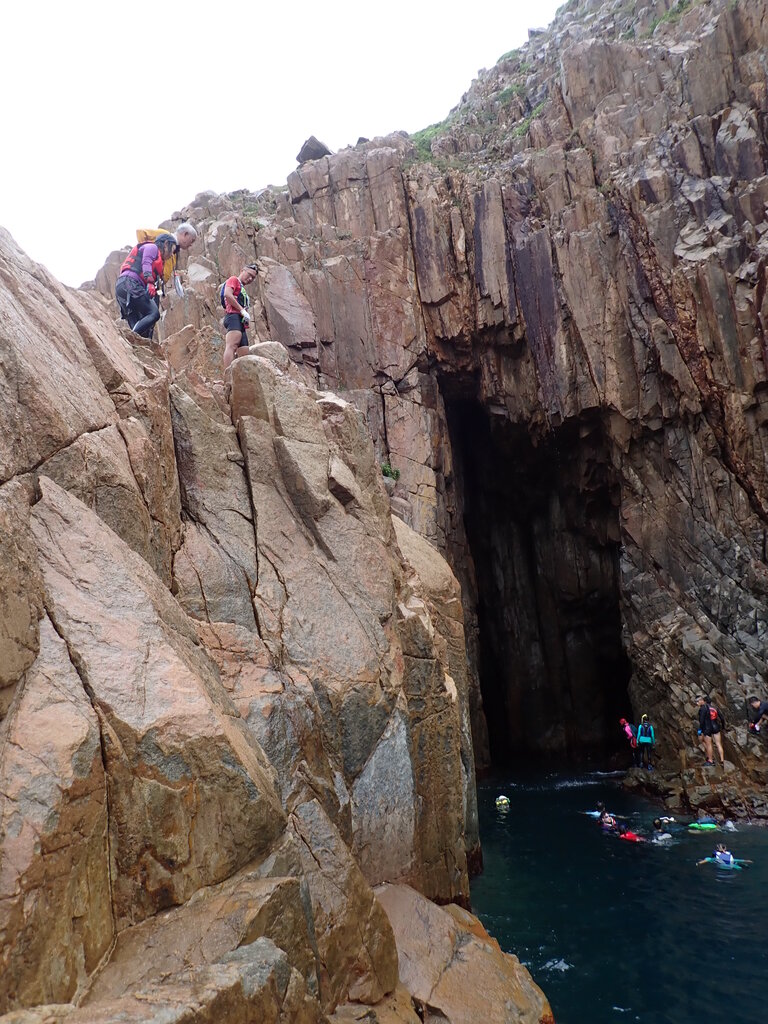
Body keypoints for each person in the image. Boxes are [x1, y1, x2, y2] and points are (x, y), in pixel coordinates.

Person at [115, 233, 178, 339]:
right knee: (154, 313)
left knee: (141, 332)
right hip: (130, 283)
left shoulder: (156, 256)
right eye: (172, 250)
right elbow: (146, 262)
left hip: (121, 287)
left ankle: (131, 344)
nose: (172, 255)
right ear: (166, 244)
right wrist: (150, 281)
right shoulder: (152, 248)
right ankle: (129, 339)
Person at [136, 223, 197, 293]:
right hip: (143, 280)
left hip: (154, 286)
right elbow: (140, 232)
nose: (191, 244)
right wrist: (144, 254)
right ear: (185, 234)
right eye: (192, 240)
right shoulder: (164, 234)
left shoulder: (174, 253)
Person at [222, 265, 258, 369]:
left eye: (253, 278)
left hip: (240, 321)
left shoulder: (241, 288)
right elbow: (227, 294)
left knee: (244, 351)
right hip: (233, 316)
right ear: (242, 270)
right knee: (232, 345)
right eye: (249, 274)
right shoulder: (234, 280)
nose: (250, 278)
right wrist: (241, 310)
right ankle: (227, 375)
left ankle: (242, 377)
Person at [696, 695, 725, 767]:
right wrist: (723, 727)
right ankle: (722, 760)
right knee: (718, 744)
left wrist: (700, 731)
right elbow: (722, 718)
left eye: (697, 701)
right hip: (716, 726)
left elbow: (702, 721)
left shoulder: (704, 708)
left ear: (704, 701)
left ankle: (710, 759)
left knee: (708, 744)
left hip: (707, 728)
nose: (697, 703)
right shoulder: (715, 708)